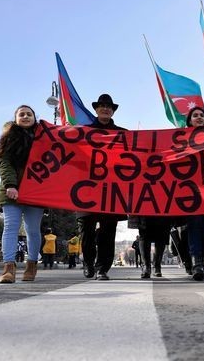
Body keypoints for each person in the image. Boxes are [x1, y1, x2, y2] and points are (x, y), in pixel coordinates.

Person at [0, 105, 44, 283]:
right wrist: (11, 185)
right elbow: (4, 163)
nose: (25, 116)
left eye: (29, 114)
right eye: (21, 114)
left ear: (34, 117)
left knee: (33, 231)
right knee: (10, 228)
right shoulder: (8, 138)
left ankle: (31, 266)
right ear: (15, 119)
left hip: (35, 193)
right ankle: (9, 268)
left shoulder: (43, 137)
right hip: (11, 191)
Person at [80, 94, 128, 281]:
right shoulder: (83, 132)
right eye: (102, 106)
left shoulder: (123, 134)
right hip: (86, 188)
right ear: (96, 109)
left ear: (113, 110)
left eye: (109, 106)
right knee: (86, 229)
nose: (105, 109)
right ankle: (88, 263)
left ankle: (103, 268)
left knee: (108, 230)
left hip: (111, 188)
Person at [184, 107, 204, 281]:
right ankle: (197, 263)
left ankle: (200, 262)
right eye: (195, 115)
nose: (199, 117)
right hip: (189, 190)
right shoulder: (181, 139)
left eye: (202, 115)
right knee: (195, 225)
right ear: (189, 120)